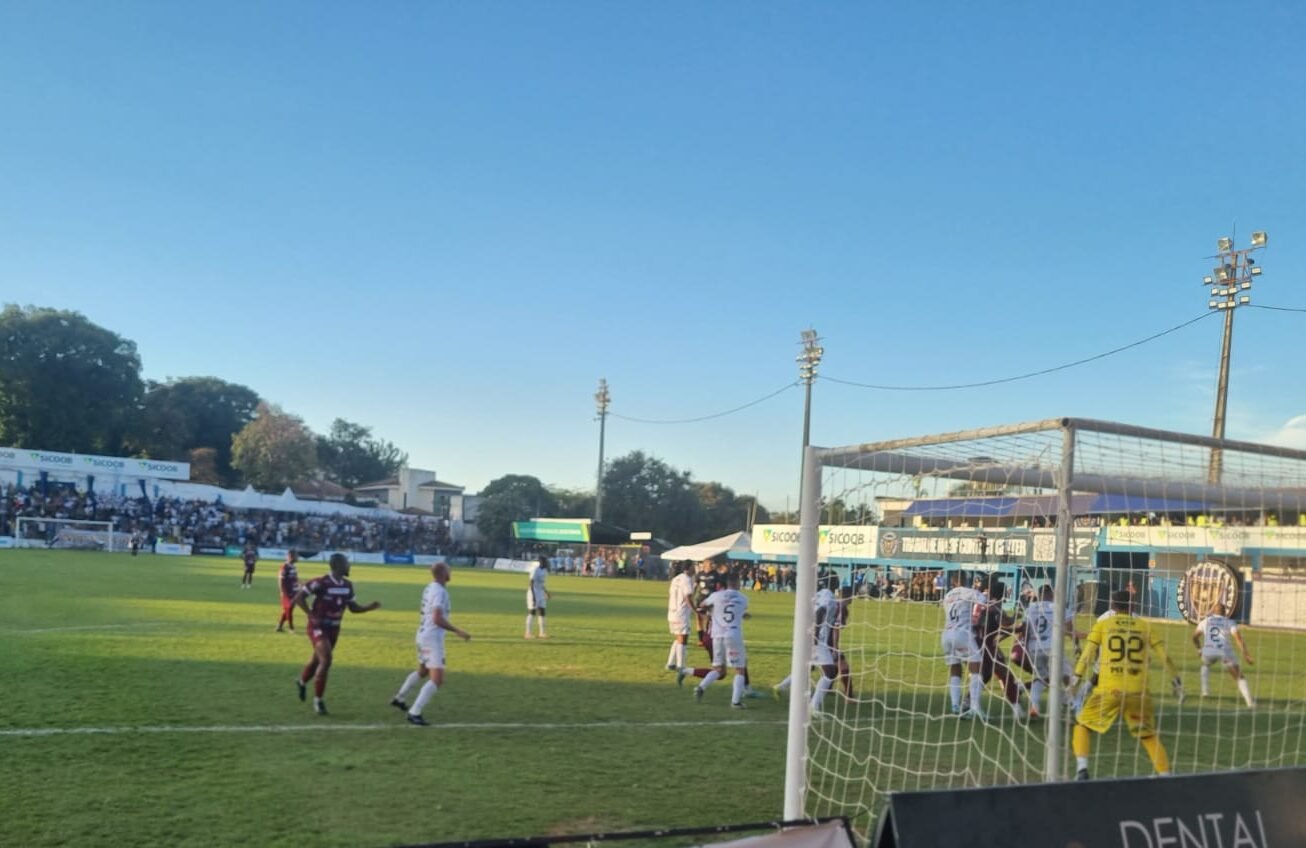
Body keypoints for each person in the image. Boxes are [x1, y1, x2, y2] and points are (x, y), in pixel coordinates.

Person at [1071, 590, 1183, 781]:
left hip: (1109, 689)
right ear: (1131, 606)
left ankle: (1082, 770)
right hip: (1138, 691)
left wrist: (1076, 679)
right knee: (1147, 735)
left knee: (1082, 725)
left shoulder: (1104, 623)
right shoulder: (1144, 625)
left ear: (1112, 606)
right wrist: (1176, 681)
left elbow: (1088, 654)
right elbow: (1164, 656)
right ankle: (1165, 775)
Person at [293, 553, 382, 716]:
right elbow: (299, 598)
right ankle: (318, 701)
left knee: (316, 661)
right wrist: (310, 614)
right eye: (347, 563)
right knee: (326, 660)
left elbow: (353, 608)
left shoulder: (347, 585)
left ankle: (301, 681)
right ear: (338, 565)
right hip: (318, 627)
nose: (349, 566)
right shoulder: (320, 582)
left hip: (334, 629)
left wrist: (369, 607)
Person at [391, 562, 471, 726]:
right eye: (449, 569)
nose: (451, 571)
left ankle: (400, 698)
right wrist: (457, 630)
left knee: (423, 670)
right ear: (443, 573)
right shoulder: (440, 592)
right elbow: (436, 618)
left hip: (422, 634)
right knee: (437, 678)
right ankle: (415, 712)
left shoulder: (430, 587)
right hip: (432, 638)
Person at [1014, 584, 1080, 718]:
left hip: (1034, 647)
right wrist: (1077, 645)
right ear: (1052, 594)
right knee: (1068, 675)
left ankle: (1035, 705)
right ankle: (1075, 705)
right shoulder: (1059, 608)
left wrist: (1021, 647)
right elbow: (1069, 630)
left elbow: (1024, 630)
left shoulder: (1031, 608)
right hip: (1052, 647)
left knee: (1044, 677)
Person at [689, 573, 751, 708]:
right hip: (733, 634)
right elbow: (737, 610)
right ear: (738, 583)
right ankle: (736, 701)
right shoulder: (744, 598)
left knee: (718, 669)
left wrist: (709, 608)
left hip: (717, 636)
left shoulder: (716, 596)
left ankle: (701, 687)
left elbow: (702, 604)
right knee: (740, 669)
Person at [975, 575, 1026, 721]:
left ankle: (968, 703)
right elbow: (1003, 626)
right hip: (986, 646)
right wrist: (1017, 628)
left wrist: (1014, 619)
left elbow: (1002, 624)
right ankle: (1017, 709)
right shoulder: (996, 608)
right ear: (1003, 594)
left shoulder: (984, 604)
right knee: (1005, 675)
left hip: (975, 643)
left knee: (986, 674)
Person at [941, 571, 986, 719]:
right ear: (966, 580)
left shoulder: (947, 596)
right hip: (962, 634)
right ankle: (974, 707)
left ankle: (954, 705)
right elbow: (984, 601)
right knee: (977, 667)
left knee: (955, 669)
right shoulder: (968, 592)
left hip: (946, 635)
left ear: (953, 581)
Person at [1192, 602, 1255, 707]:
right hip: (1224, 652)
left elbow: (1194, 637)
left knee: (1205, 664)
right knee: (1239, 676)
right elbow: (1238, 639)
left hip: (1208, 651)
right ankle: (1250, 703)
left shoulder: (1205, 621)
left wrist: (1199, 649)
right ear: (1225, 612)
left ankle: (1205, 691)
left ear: (1213, 611)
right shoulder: (1229, 622)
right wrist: (1245, 654)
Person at [665, 561, 695, 672]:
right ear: (689, 568)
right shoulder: (686, 580)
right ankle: (680, 665)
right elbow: (688, 597)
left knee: (678, 638)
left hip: (672, 611)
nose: (695, 568)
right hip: (681, 613)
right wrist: (694, 610)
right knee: (683, 638)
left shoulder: (676, 579)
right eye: (693, 566)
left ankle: (670, 663)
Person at [524, 555, 551, 639]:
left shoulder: (545, 571)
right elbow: (531, 583)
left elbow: (541, 584)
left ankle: (542, 633)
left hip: (540, 592)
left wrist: (546, 592)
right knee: (532, 612)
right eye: (545, 561)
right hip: (533, 592)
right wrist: (533, 597)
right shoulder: (535, 570)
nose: (547, 563)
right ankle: (527, 633)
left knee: (542, 611)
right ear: (541, 562)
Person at [275, 550, 300, 632]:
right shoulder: (284, 567)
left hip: (294, 591)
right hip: (287, 592)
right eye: (296, 556)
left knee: (288, 609)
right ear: (291, 556)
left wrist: (299, 585)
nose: (298, 557)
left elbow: (294, 578)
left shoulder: (293, 566)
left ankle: (279, 626)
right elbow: (280, 579)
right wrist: (282, 591)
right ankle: (291, 628)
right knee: (289, 608)